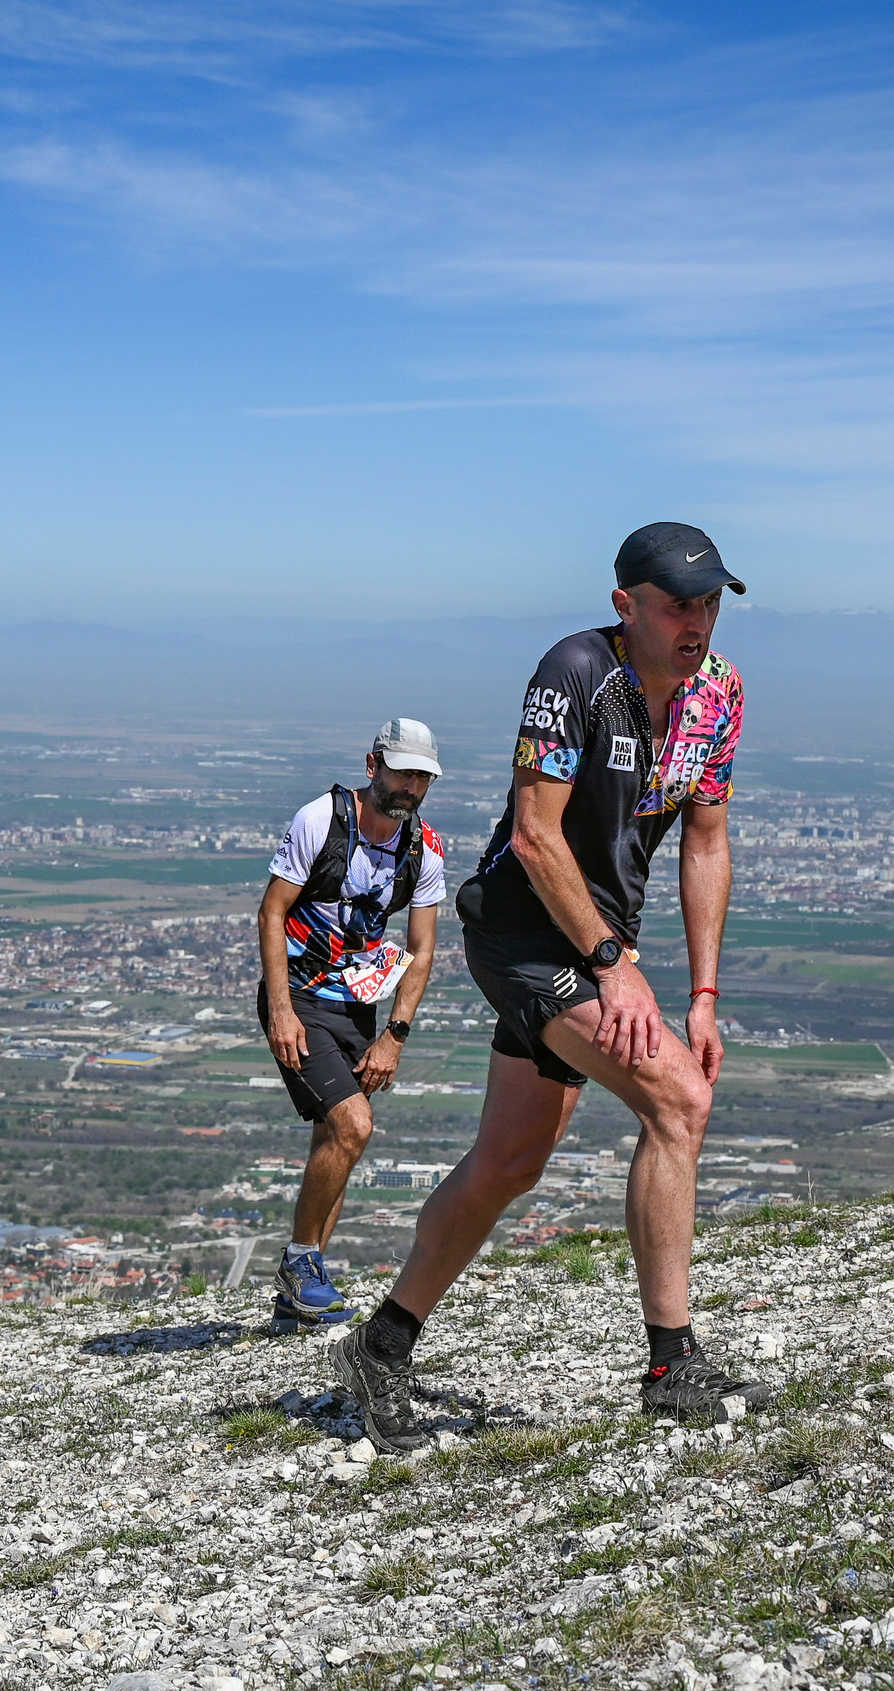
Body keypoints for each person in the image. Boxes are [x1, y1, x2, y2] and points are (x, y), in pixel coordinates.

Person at [331, 522, 780, 1448]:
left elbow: (706, 842)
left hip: (598, 944)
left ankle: (381, 1345)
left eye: (708, 604)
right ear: (627, 606)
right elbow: (536, 836)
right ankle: (671, 1364)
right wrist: (614, 969)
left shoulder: (720, 694)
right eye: (676, 605)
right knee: (678, 1103)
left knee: (511, 1161)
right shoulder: (575, 672)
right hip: (527, 930)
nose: (696, 623)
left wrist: (702, 995)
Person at [257, 719, 446, 1331]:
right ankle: (300, 1261)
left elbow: (422, 948)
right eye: (403, 772)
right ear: (373, 765)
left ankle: (303, 1289)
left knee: (333, 1139)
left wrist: (396, 1033)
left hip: (360, 1004)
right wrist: (281, 1009)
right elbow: (272, 911)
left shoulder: (425, 850)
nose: (411, 787)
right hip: (303, 997)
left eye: (423, 776)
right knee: (353, 1126)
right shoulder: (322, 820)